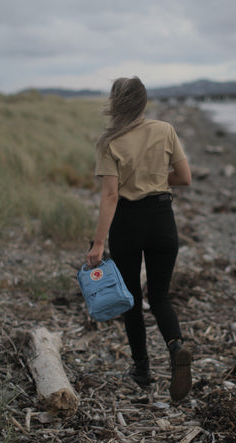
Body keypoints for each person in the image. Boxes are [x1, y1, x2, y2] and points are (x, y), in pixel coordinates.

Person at [86, 76, 192, 401]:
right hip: (162, 219)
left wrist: (98, 243)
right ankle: (176, 348)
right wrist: (157, 177)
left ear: (116, 103)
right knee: (160, 296)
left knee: (130, 298)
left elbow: (110, 195)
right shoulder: (165, 130)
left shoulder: (109, 141)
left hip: (128, 223)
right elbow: (185, 178)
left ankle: (142, 369)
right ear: (143, 103)